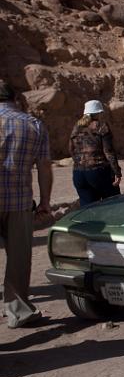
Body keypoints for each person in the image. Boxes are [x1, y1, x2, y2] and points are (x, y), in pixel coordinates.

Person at [0, 80, 52, 328]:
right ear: (15, 97)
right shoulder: (33, 124)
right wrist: (44, 201)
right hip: (18, 201)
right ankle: (18, 311)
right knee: (18, 258)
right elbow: (43, 167)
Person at [69, 100, 122, 207]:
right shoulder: (101, 126)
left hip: (78, 174)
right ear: (98, 113)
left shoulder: (76, 127)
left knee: (88, 211)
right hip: (98, 172)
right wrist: (117, 172)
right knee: (114, 205)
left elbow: (71, 149)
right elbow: (109, 151)